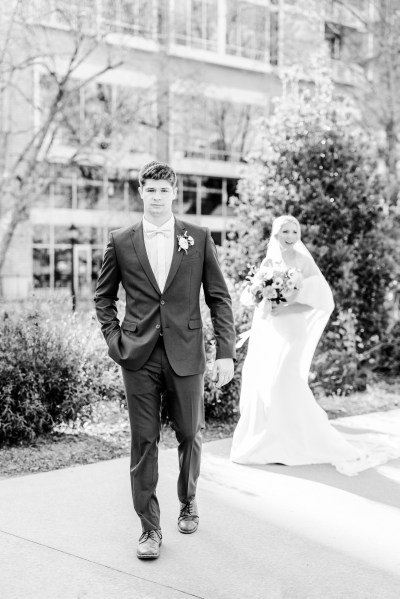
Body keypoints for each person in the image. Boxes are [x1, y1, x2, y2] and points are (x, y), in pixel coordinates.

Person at [95, 161, 236, 560]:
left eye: (164, 190)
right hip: (137, 355)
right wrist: (114, 339)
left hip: (186, 352)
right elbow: (103, 298)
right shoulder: (121, 240)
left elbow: (219, 298)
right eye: (150, 190)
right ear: (141, 192)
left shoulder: (198, 237)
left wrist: (225, 352)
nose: (157, 197)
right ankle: (150, 528)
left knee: (190, 433)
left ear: (174, 193)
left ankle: (188, 499)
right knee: (144, 440)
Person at [230, 215, 369, 475]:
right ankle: (274, 441)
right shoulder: (268, 262)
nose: (291, 235)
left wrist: (287, 304)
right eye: (285, 231)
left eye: (295, 231)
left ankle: (300, 440)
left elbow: (322, 299)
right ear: (275, 234)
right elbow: (254, 295)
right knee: (267, 383)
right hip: (272, 330)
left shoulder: (304, 262)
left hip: (293, 330)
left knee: (285, 379)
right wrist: (263, 297)